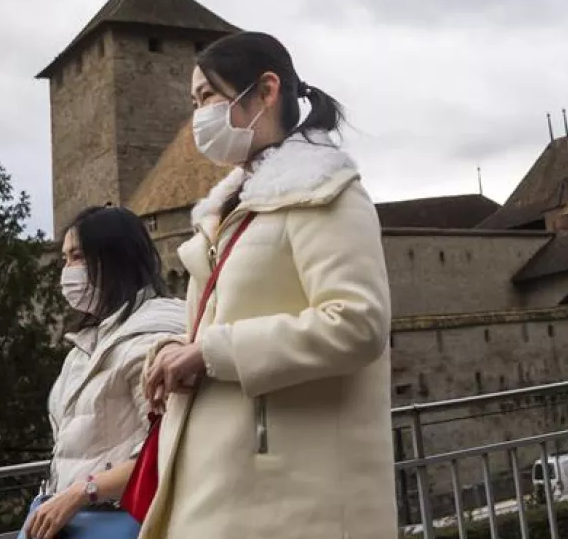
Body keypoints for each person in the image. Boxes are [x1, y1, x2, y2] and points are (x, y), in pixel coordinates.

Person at [138, 31, 396, 538]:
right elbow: (218, 329)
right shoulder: (231, 213)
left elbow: (358, 323)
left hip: (288, 497)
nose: (198, 116)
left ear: (266, 90)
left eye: (208, 96)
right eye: (194, 102)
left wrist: (211, 353)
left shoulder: (326, 194)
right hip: (223, 482)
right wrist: (176, 352)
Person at [19, 207, 186, 539]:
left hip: (115, 519)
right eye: (64, 259)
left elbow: (172, 450)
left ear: (115, 257)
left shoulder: (154, 340)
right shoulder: (85, 345)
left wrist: (84, 491)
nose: (67, 271)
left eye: (77, 257)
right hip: (63, 514)